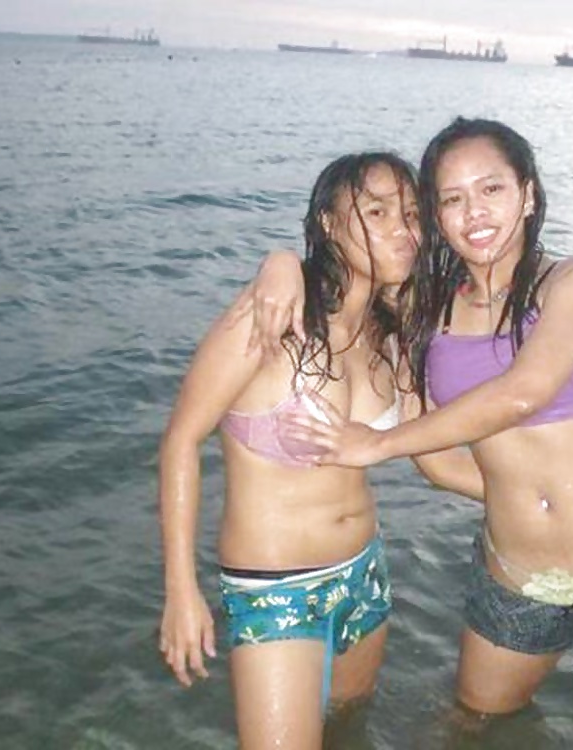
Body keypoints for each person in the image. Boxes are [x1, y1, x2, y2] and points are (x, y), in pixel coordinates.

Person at [243, 118, 573, 750]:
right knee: (472, 729)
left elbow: (524, 392)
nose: (474, 212)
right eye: (452, 199)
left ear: (528, 194)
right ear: (437, 217)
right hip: (517, 577)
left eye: (491, 189)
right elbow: (438, 460)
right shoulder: (426, 309)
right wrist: (280, 265)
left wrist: (376, 443)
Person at [157, 151, 482, 750]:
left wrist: (532, 500)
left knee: (348, 732)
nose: (403, 230)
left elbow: (435, 460)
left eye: (412, 214)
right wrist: (181, 590)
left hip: (364, 575)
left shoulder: (391, 334)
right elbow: (181, 438)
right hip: (274, 586)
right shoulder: (271, 316)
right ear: (329, 224)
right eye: (377, 212)